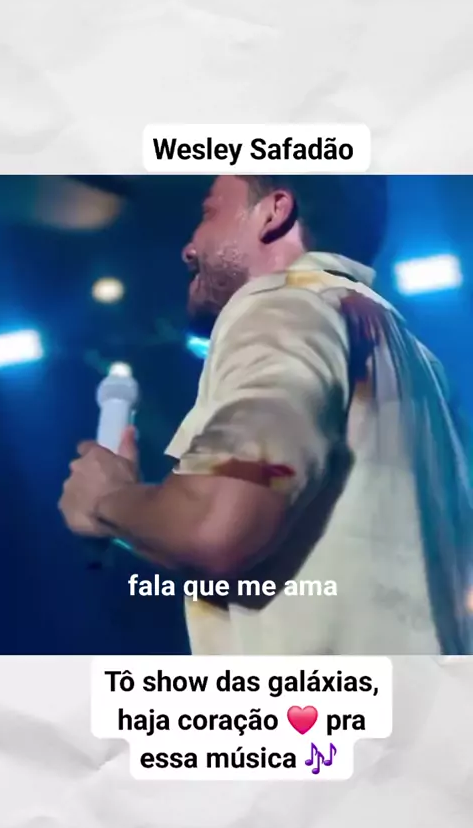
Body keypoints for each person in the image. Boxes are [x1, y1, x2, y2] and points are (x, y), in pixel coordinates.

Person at [59, 174, 473, 655]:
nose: (189, 248)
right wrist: (129, 520)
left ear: (274, 213)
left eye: (209, 212)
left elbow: (215, 527)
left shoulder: (284, 305)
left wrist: (107, 499)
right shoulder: (417, 361)